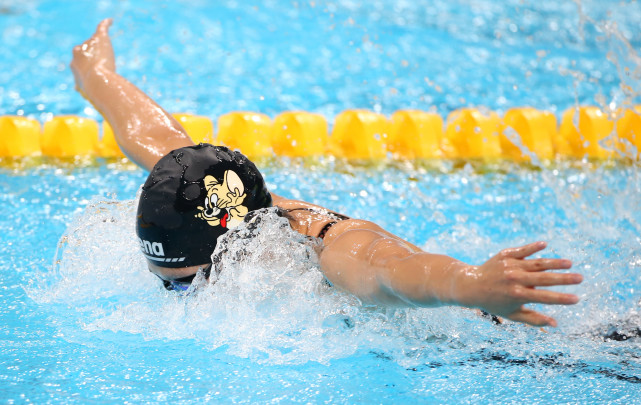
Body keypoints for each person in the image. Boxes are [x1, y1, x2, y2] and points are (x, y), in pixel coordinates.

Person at [70, 19, 583, 328]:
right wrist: (97, 76)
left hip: (516, 339)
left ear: (235, 244)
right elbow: (158, 140)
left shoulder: (330, 249)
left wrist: (471, 284)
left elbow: (390, 271)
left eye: (186, 286)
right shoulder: (213, 196)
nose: (182, 301)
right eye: (168, 285)